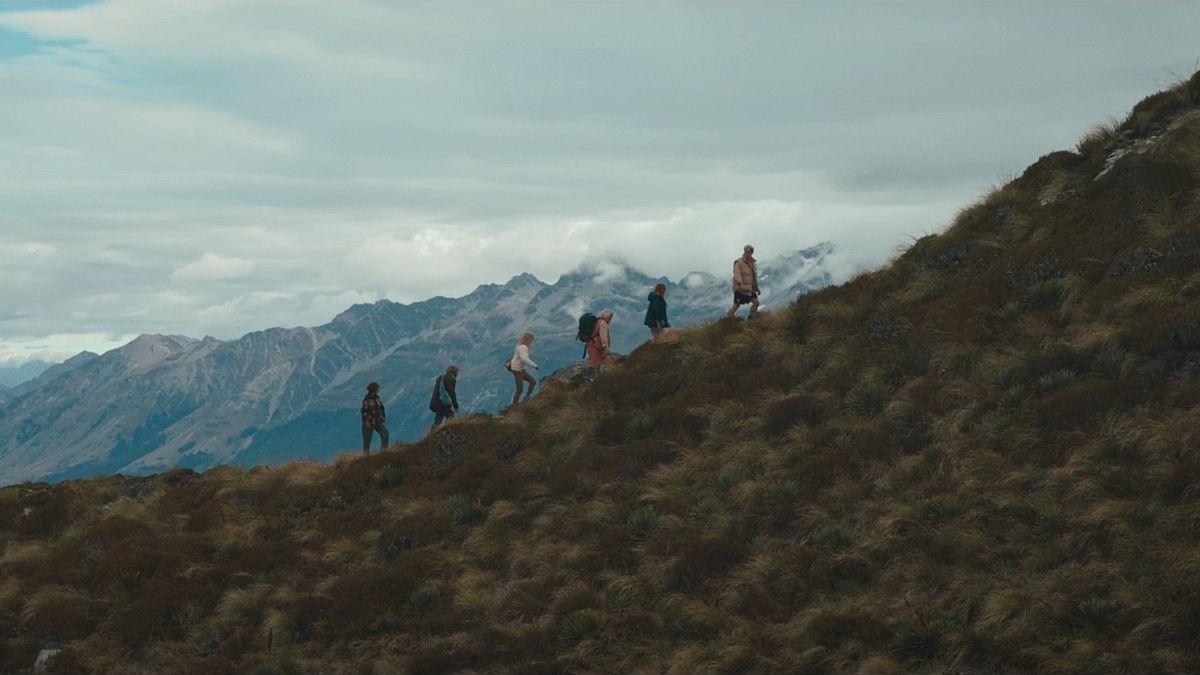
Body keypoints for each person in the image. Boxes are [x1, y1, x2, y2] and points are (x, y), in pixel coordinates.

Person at [726, 244, 760, 319]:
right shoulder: (738, 262)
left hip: (750, 288)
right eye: (746, 252)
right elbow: (736, 273)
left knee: (756, 302)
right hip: (741, 288)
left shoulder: (752, 263)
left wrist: (757, 288)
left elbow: (754, 277)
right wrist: (739, 281)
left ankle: (751, 318)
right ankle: (726, 319)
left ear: (752, 253)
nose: (747, 253)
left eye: (749, 252)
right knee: (736, 305)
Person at [509, 332, 539, 406]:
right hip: (517, 369)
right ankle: (514, 405)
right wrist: (534, 366)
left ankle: (526, 398)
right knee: (520, 388)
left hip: (519, 368)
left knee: (532, 382)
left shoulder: (519, 345)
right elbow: (524, 358)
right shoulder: (523, 347)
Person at [429, 365, 460, 430]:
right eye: (457, 372)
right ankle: (450, 430)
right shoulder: (450, 379)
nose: (457, 374)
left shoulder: (440, 377)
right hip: (442, 403)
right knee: (450, 415)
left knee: (439, 417)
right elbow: (452, 393)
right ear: (454, 372)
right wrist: (455, 405)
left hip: (435, 402)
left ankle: (433, 432)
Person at [586, 309, 614, 380]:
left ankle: (593, 378)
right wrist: (605, 346)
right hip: (598, 345)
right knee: (597, 361)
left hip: (590, 343)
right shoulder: (603, 324)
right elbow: (603, 336)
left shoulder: (597, 321)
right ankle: (591, 378)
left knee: (594, 361)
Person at [360, 381, 388, 454]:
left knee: (385, 433)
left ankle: (384, 452)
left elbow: (380, 408)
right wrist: (366, 421)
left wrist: (381, 417)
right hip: (368, 422)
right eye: (377, 388)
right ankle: (366, 456)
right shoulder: (366, 400)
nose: (379, 390)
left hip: (376, 421)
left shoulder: (377, 398)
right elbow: (364, 412)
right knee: (367, 441)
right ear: (374, 389)